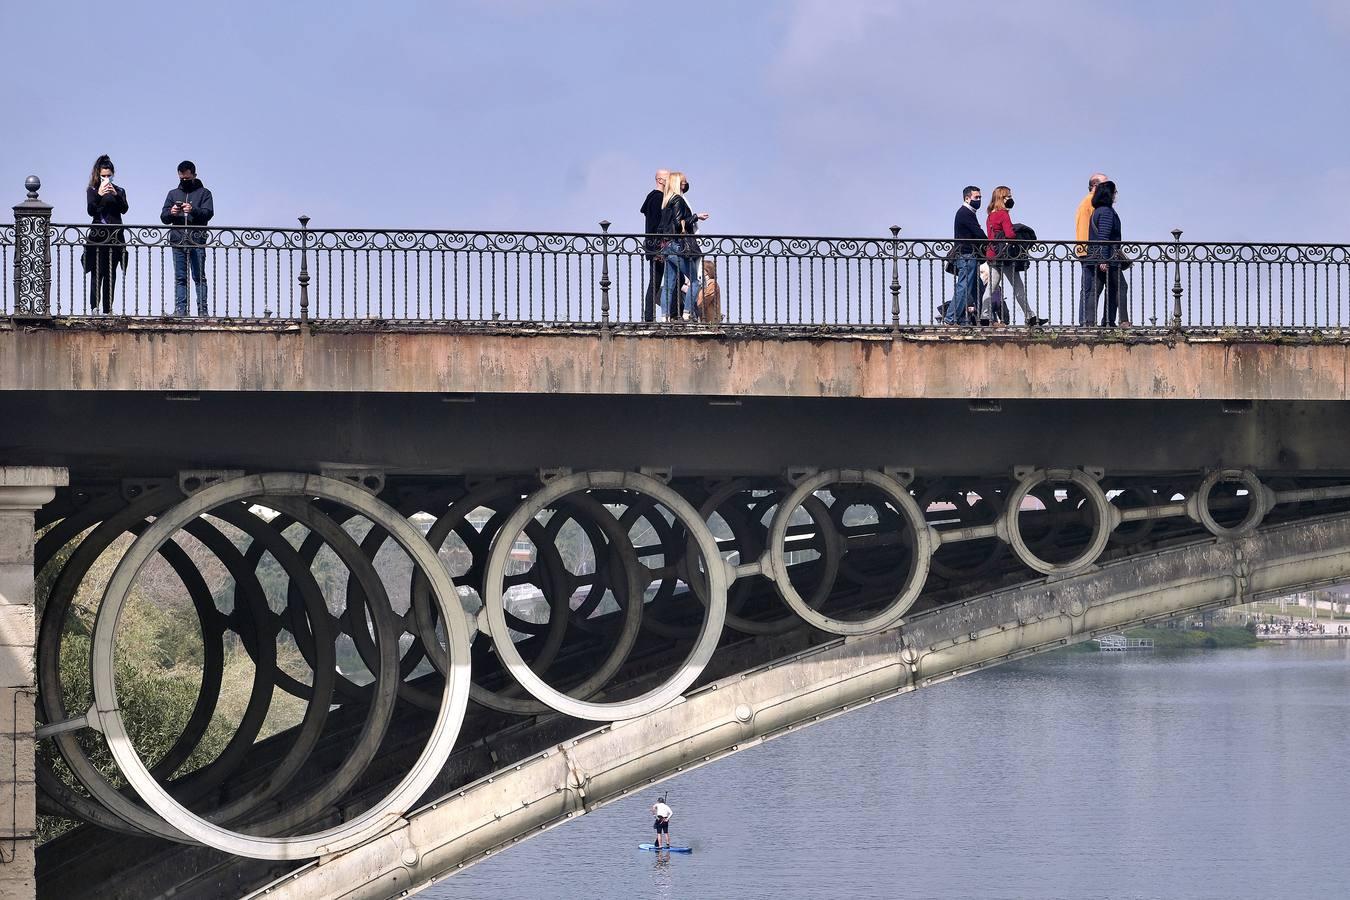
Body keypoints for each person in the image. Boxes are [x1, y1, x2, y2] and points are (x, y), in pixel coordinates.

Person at [160, 160, 215, 316]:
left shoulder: (205, 193)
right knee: (180, 278)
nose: (184, 181)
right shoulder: (172, 194)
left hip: (197, 240)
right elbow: (163, 217)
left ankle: (203, 311)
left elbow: (208, 213)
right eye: (181, 178)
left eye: (187, 178)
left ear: (194, 175)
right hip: (177, 240)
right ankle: (180, 311)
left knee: (199, 277)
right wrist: (172, 212)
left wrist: (193, 210)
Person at [984, 186, 1044, 327]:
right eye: (1008, 196)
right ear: (1001, 198)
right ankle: (1031, 318)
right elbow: (1010, 235)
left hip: (993, 254)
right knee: (1018, 287)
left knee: (990, 288)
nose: (1011, 199)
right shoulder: (1003, 214)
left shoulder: (990, 216)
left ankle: (984, 316)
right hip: (1005, 257)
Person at [83, 154, 128, 315]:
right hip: (98, 237)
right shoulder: (92, 190)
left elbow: (124, 209)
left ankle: (108, 309)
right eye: (103, 176)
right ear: (98, 175)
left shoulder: (120, 190)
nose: (106, 179)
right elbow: (91, 210)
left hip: (115, 236)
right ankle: (94, 307)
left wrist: (115, 194)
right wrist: (99, 195)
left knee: (111, 274)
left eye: (109, 176)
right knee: (97, 272)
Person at [658, 172, 700, 321]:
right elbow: (677, 223)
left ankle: (664, 317)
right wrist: (695, 217)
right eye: (683, 182)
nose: (685, 184)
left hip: (667, 246)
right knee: (695, 281)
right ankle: (687, 313)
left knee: (669, 284)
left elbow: (662, 227)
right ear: (677, 183)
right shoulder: (678, 200)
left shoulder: (666, 201)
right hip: (677, 246)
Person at [1088, 180, 1126, 327]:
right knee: (1121, 287)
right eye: (1114, 192)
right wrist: (1104, 260)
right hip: (1109, 257)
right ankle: (1122, 320)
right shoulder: (1106, 212)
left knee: (1097, 289)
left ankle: (1091, 322)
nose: (1116, 195)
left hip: (1099, 256)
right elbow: (1104, 237)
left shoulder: (1097, 211)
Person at [945, 186, 983, 325]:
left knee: (978, 288)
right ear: (967, 198)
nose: (979, 200)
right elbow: (978, 233)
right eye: (976, 197)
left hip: (968, 255)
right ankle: (951, 318)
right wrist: (992, 242)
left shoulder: (968, 212)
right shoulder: (965, 213)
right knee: (964, 287)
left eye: (980, 197)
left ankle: (984, 318)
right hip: (966, 255)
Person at [1075, 172, 1108, 325]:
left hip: (1089, 250)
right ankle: (1085, 321)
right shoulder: (1089, 202)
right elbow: (1086, 227)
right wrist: (1087, 251)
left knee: (1091, 288)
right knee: (1089, 289)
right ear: (1095, 186)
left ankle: (1088, 320)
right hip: (1090, 251)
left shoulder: (1090, 202)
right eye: (1104, 184)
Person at [640, 169, 670, 323]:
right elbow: (656, 224)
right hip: (657, 247)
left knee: (656, 282)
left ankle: (650, 317)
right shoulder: (658, 198)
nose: (670, 181)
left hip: (654, 246)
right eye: (667, 178)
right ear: (660, 180)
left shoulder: (653, 198)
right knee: (655, 282)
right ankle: (649, 318)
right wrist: (660, 244)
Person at [696, 258, 722, 325]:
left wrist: (696, 307)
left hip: (710, 320)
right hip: (705, 320)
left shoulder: (712, 283)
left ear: (706, 271)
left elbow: (707, 297)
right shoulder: (704, 284)